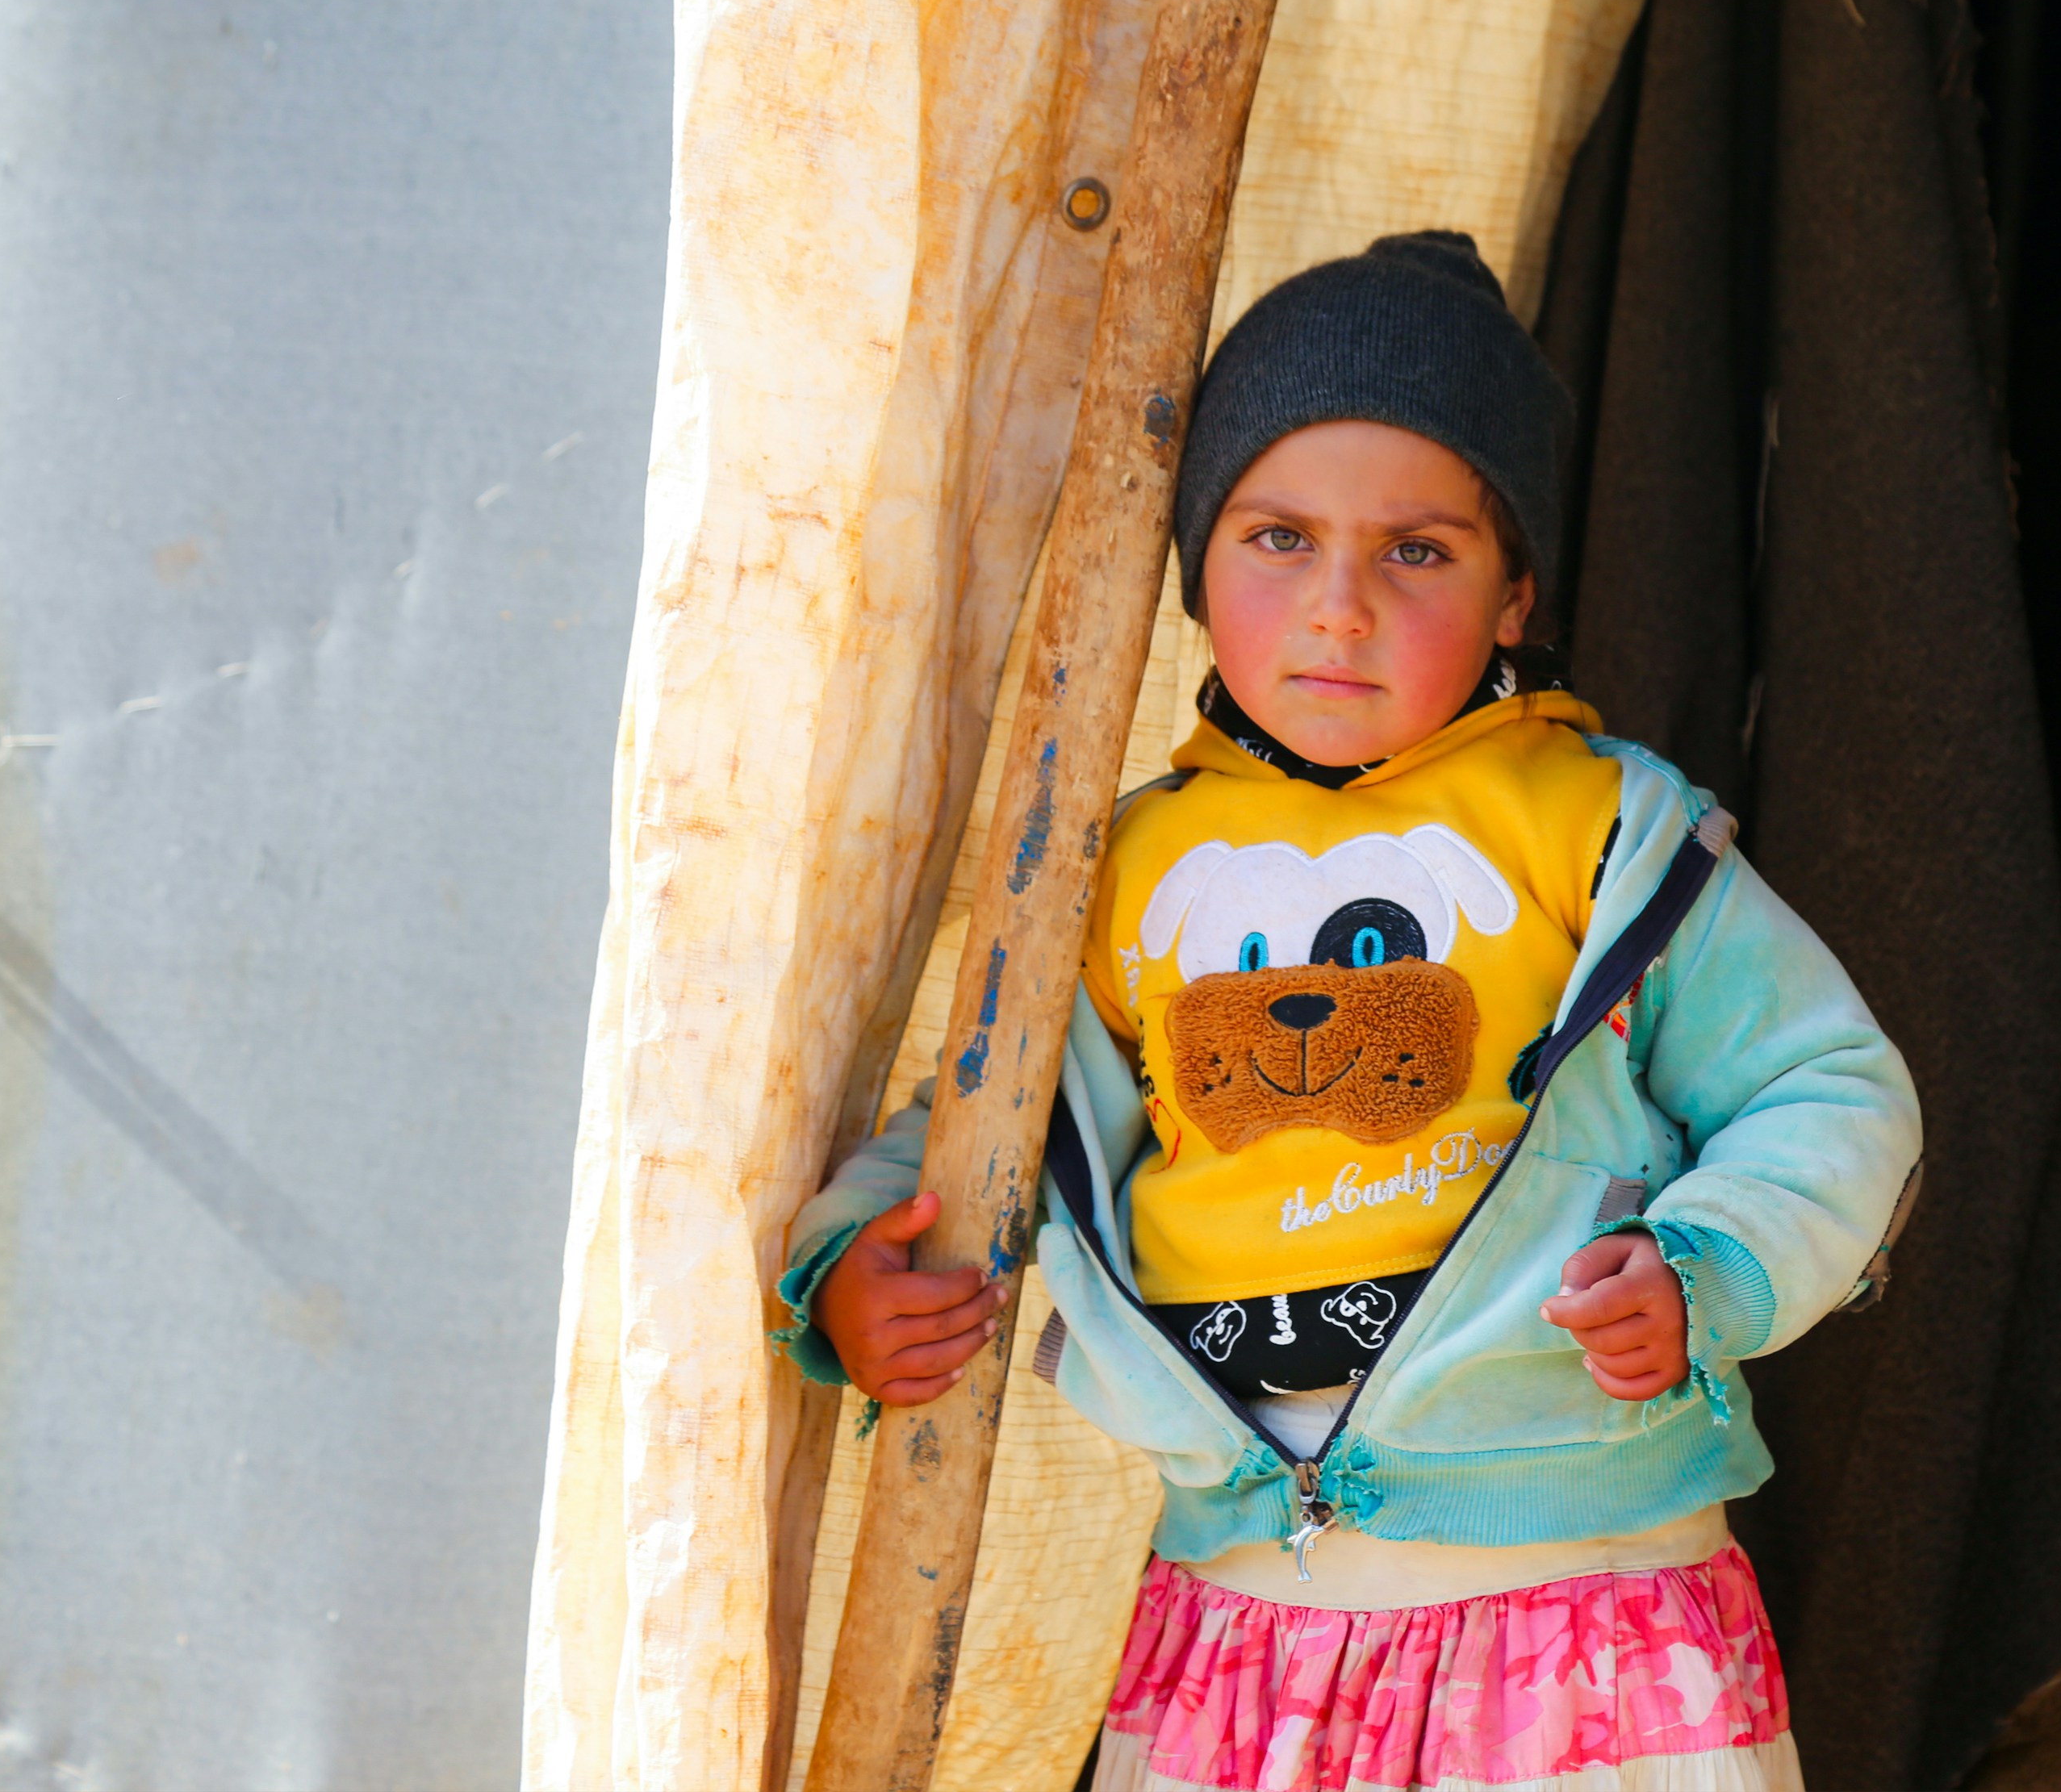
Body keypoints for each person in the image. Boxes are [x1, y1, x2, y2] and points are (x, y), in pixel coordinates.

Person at [780, 232, 1920, 1792]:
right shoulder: (1111, 874)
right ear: (1193, 569)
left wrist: (1706, 1270)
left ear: (1518, 590)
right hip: (1243, 1616)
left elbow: (1828, 1085)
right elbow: (977, 1124)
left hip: (1580, 1597)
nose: (1338, 607)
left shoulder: (1598, 833)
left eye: (1419, 551)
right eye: (1276, 538)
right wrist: (856, 1267)